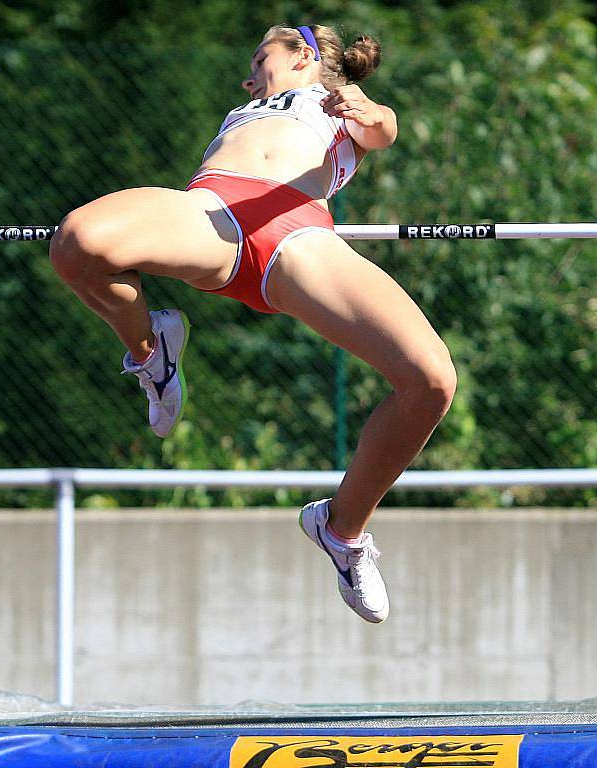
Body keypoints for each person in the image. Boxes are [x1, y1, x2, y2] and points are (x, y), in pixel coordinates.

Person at [49, 24, 457, 624]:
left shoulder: (336, 105)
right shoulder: (249, 107)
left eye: (262, 51)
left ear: (305, 56)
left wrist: (364, 108)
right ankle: (150, 349)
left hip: (298, 239)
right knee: (76, 245)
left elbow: (384, 131)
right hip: (210, 216)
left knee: (431, 381)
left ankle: (342, 529)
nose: (250, 67)